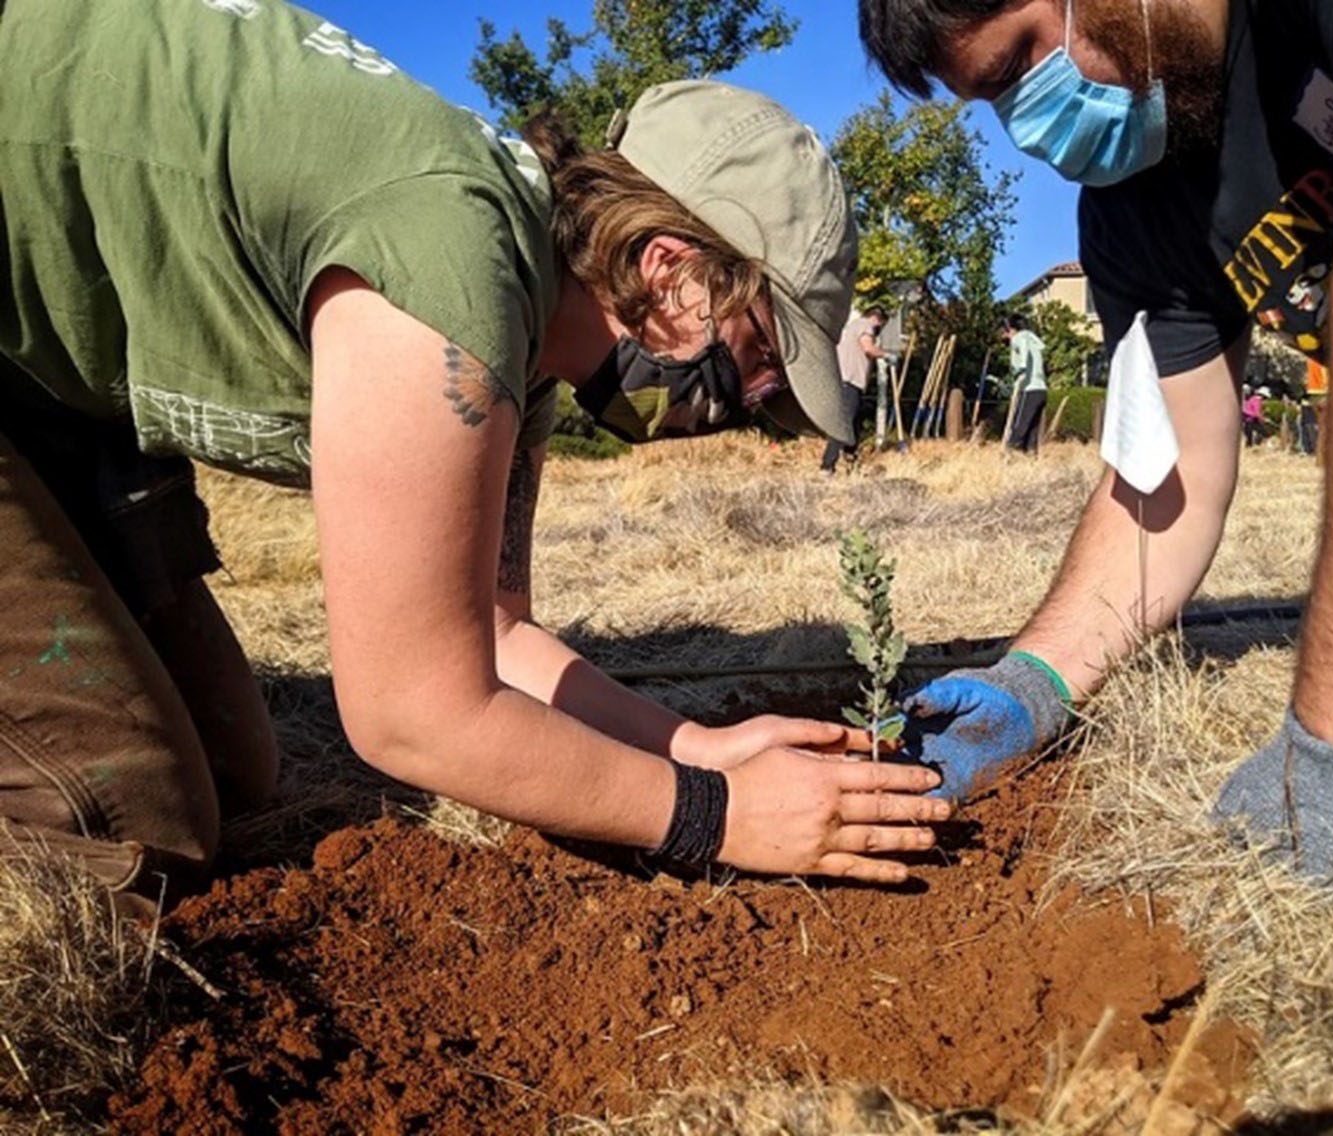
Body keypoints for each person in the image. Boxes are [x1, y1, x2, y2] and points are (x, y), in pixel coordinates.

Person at [0, 0, 951, 915]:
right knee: (124, 825)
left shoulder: (524, 337)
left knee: (232, 764)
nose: (748, 410)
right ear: (671, 273)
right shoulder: (454, 267)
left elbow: (494, 636)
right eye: (755, 363)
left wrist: (699, 748)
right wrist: (717, 817)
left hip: (47, 390)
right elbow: (413, 711)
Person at [859, 0, 1333, 890]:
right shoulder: (1137, 208)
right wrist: (1035, 681)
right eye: (995, 102)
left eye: (1020, 65)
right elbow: (1167, 477)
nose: (1030, 130)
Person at [821, 305, 889, 474]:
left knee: (855, 422)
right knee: (844, 424)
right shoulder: (866, 325)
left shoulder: (850, 327)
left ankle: (850, 458)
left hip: (843, 380)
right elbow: (868, 348)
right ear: (877, 319)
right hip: (850, 380)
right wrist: (886, 354)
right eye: (881, 325)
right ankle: (827, 466)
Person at [1003, 312, 1048, 453]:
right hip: (1041, 390)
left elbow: (1023, 348)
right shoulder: (1032, 338)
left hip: (1029, 389)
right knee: (1032, 430)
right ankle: (1030, 459)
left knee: (1019, 427)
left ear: (1009, 329)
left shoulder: (1018, 338)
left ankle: (1010, 455)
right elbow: (1041, 347)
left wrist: (1021, 368)